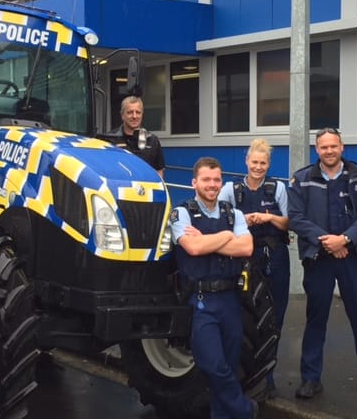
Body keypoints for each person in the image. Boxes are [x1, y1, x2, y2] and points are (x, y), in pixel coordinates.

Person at [287, 127, 357, 402]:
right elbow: (296, 218)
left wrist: (344, 240)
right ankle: (311, 379)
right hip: (318, 259)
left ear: (342, 147)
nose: (329, 151)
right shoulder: (302, 179)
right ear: (317, 149)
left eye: (333, 146)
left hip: (352, 258)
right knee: (316, 321)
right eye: (324, 147)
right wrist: (328, 242)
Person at [170, 157, 258, 419]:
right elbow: (192, 248)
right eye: (206, 180)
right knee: (213, 365)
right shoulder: (182, 212)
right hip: (201, 302)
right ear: (194, 182)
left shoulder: (234, 213)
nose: (212, 185)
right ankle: (244, 410)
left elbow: (247, 248)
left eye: (216, 179)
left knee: (229, 365)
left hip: (230, 299)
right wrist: (226, 236)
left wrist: (209, 240)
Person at [218, 138, 289, 399]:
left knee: (275, 318)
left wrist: (269, 217)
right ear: (246, 161)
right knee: (239, 317)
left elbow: (289, 222)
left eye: (263, 163)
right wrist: (240, 220)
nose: (258, 167)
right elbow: (218, 220)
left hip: (274, 259)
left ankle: (267, 377)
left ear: (268, 164)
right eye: (254, 162)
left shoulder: (277, 189)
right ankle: (238, 377)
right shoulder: (231, 189)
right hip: (241, 258)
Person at [110, 94, 165, 178]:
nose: (134, 116)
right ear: (122, 115)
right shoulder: (111, 140)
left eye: (138, 112)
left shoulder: (152, 140)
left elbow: (158, 172)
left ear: (142, 114)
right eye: (130, 112)